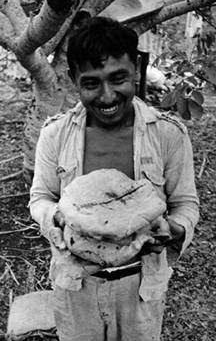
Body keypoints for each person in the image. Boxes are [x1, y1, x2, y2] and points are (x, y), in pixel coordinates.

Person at [29, 17, 199, 341]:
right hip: (75, 284)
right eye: (91, 83)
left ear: (136, 69)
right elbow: (40, 198)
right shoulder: (54, 135)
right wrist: (57, 218)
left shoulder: (168, 135)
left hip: (140, 287)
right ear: (74, 79)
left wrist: (173, 228)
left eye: (118, 78)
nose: (107, 97)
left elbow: (185, 204)